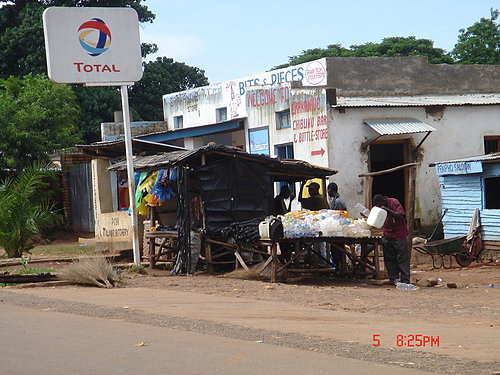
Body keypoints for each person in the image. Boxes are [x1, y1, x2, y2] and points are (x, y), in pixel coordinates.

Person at [373, 194, 410, 285]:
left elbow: (400, 215)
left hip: (399, 235)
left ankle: (405, 279)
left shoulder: (394, 202)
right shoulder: (380, 209)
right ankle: (393, 278)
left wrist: (388, 210)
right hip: (387, 234)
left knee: (402, 258)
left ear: (383, 202)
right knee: (389, 258)